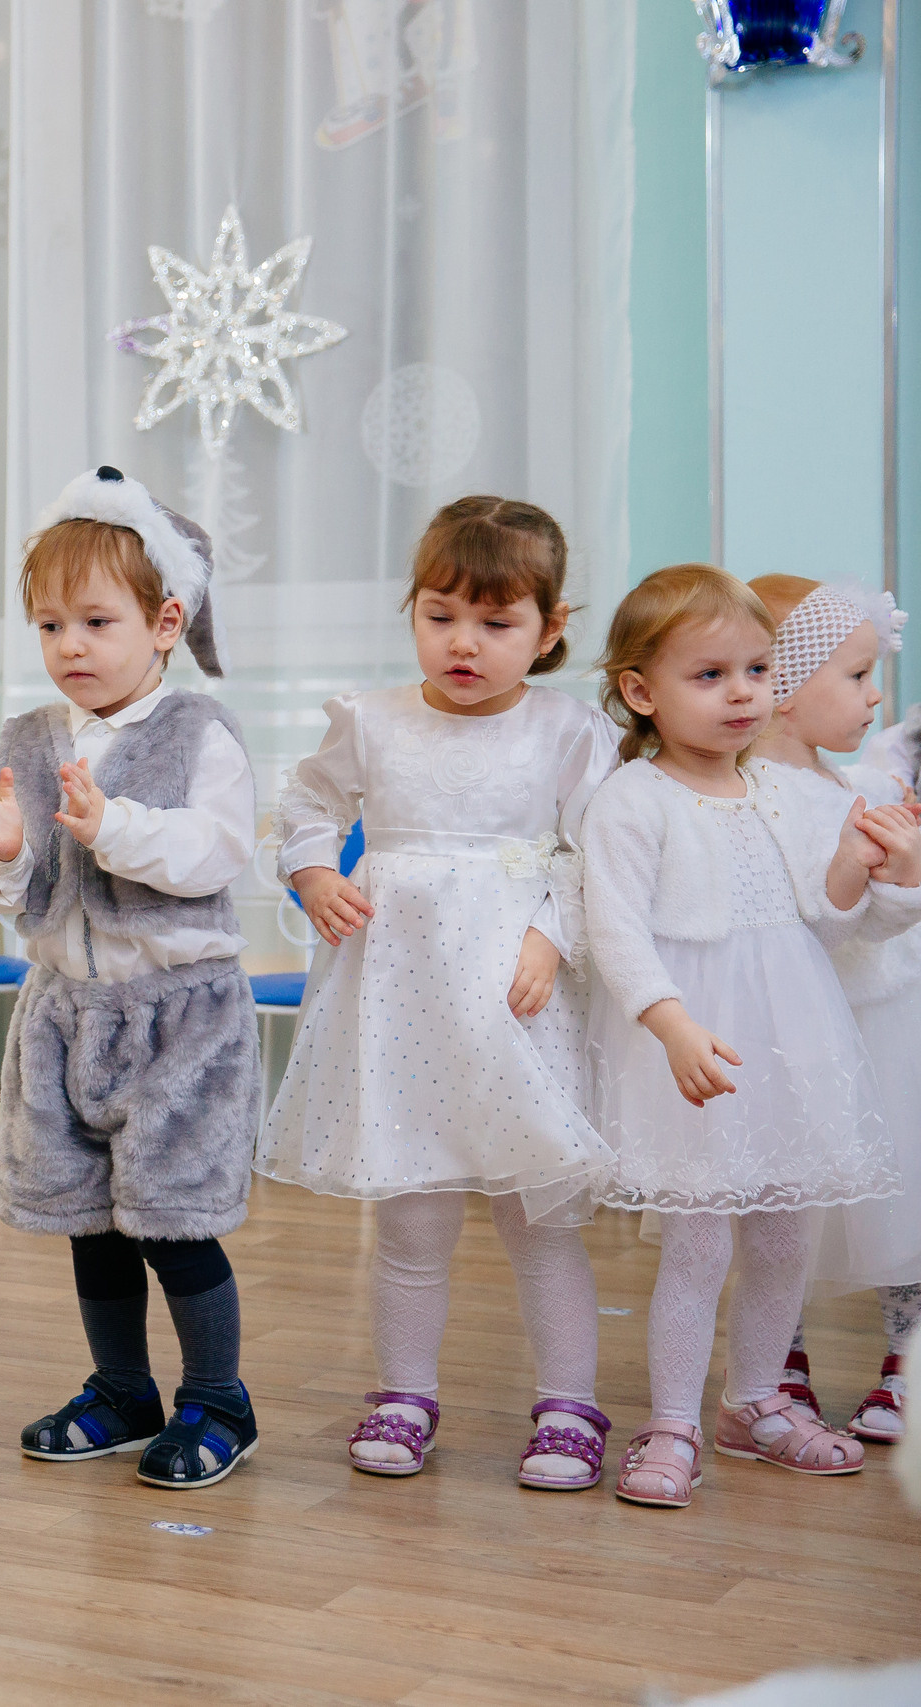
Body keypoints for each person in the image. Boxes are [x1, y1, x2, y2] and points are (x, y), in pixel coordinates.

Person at [254, 497, 621, 1489]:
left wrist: (552, 934)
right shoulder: (368, 720)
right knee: (411, 1222)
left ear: (547, 633)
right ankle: (405, 1392)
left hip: (511, 998)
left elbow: (596, 853)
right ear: (411, 611)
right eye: (439, 615)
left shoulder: (568, 733)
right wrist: (315, 874)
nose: (463, 643)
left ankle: (568, 1403)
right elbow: (304, 804)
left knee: (536, 1222)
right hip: (398, 997)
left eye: (496, 624)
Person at [0, 465, 263, 1490]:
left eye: (94, 622)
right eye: (47, 627)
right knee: (89, 1222)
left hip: (179, 1019)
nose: (68, 647)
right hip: (65, 1015)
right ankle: (120, 1387)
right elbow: (16, 893)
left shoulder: (199, 734)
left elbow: (213, 855)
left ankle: (217, 1401)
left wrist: (110, 826)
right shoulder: (29, 740)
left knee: (171, 1222)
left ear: (165, 621)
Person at [580, 566, 918, 1509]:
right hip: (697, 1045)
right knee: (699, 1246)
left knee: (783, 1240)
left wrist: (862, 863)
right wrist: (672, 1023)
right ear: (643, 691)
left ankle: (757, 1400)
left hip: (793, 1038)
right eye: (710, 675)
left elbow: (832, 922)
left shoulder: (772, 789)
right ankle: (675, 1419)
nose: (742, 694)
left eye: (758, 671)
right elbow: (614, 930)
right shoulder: (633, 800)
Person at [740, 575, 921, 1445]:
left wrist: (906, 881)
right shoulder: (741, 798)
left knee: (902, 1199)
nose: (874, 693)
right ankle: (779, 1356)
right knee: (782, 1203)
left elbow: (865, 925)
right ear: (782, 686)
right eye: (854, 675)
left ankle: (907, 1363)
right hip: (791, 1030)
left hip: (880, 1016)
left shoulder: (857, 781)